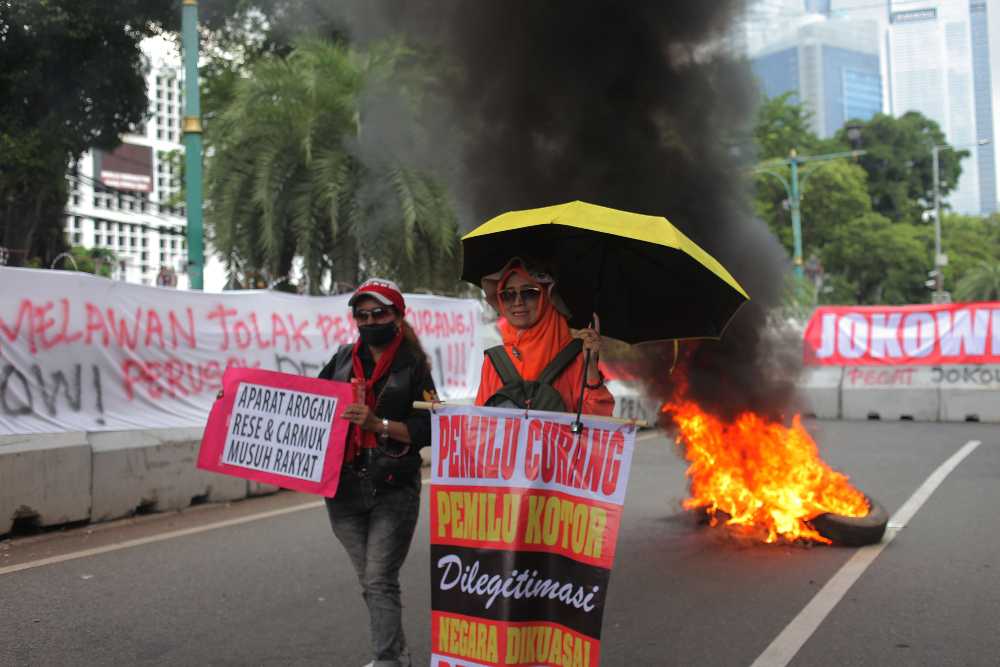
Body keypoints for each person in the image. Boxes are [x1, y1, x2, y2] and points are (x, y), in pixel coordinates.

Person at [318, 278, 437, 667]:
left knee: (379, 578)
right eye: (362, 315)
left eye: (379, 313)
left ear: (397, 318)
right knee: (371, 581)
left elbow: (429, 429)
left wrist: (377, 424)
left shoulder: (415, 367)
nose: (370, 321)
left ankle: (387, 659)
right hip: (343, 490)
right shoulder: (339, 361)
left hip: (393, 487)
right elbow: (305, 405)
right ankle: (397, 656)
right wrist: (235, 399)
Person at [475, 258, 614, 416]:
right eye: (508, 295)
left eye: (529, 293)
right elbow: (478, 426)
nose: (518, 301)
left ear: (548, 297)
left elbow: (598, 423)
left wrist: (590, 367)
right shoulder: (494, 361)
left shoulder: (578, 355)